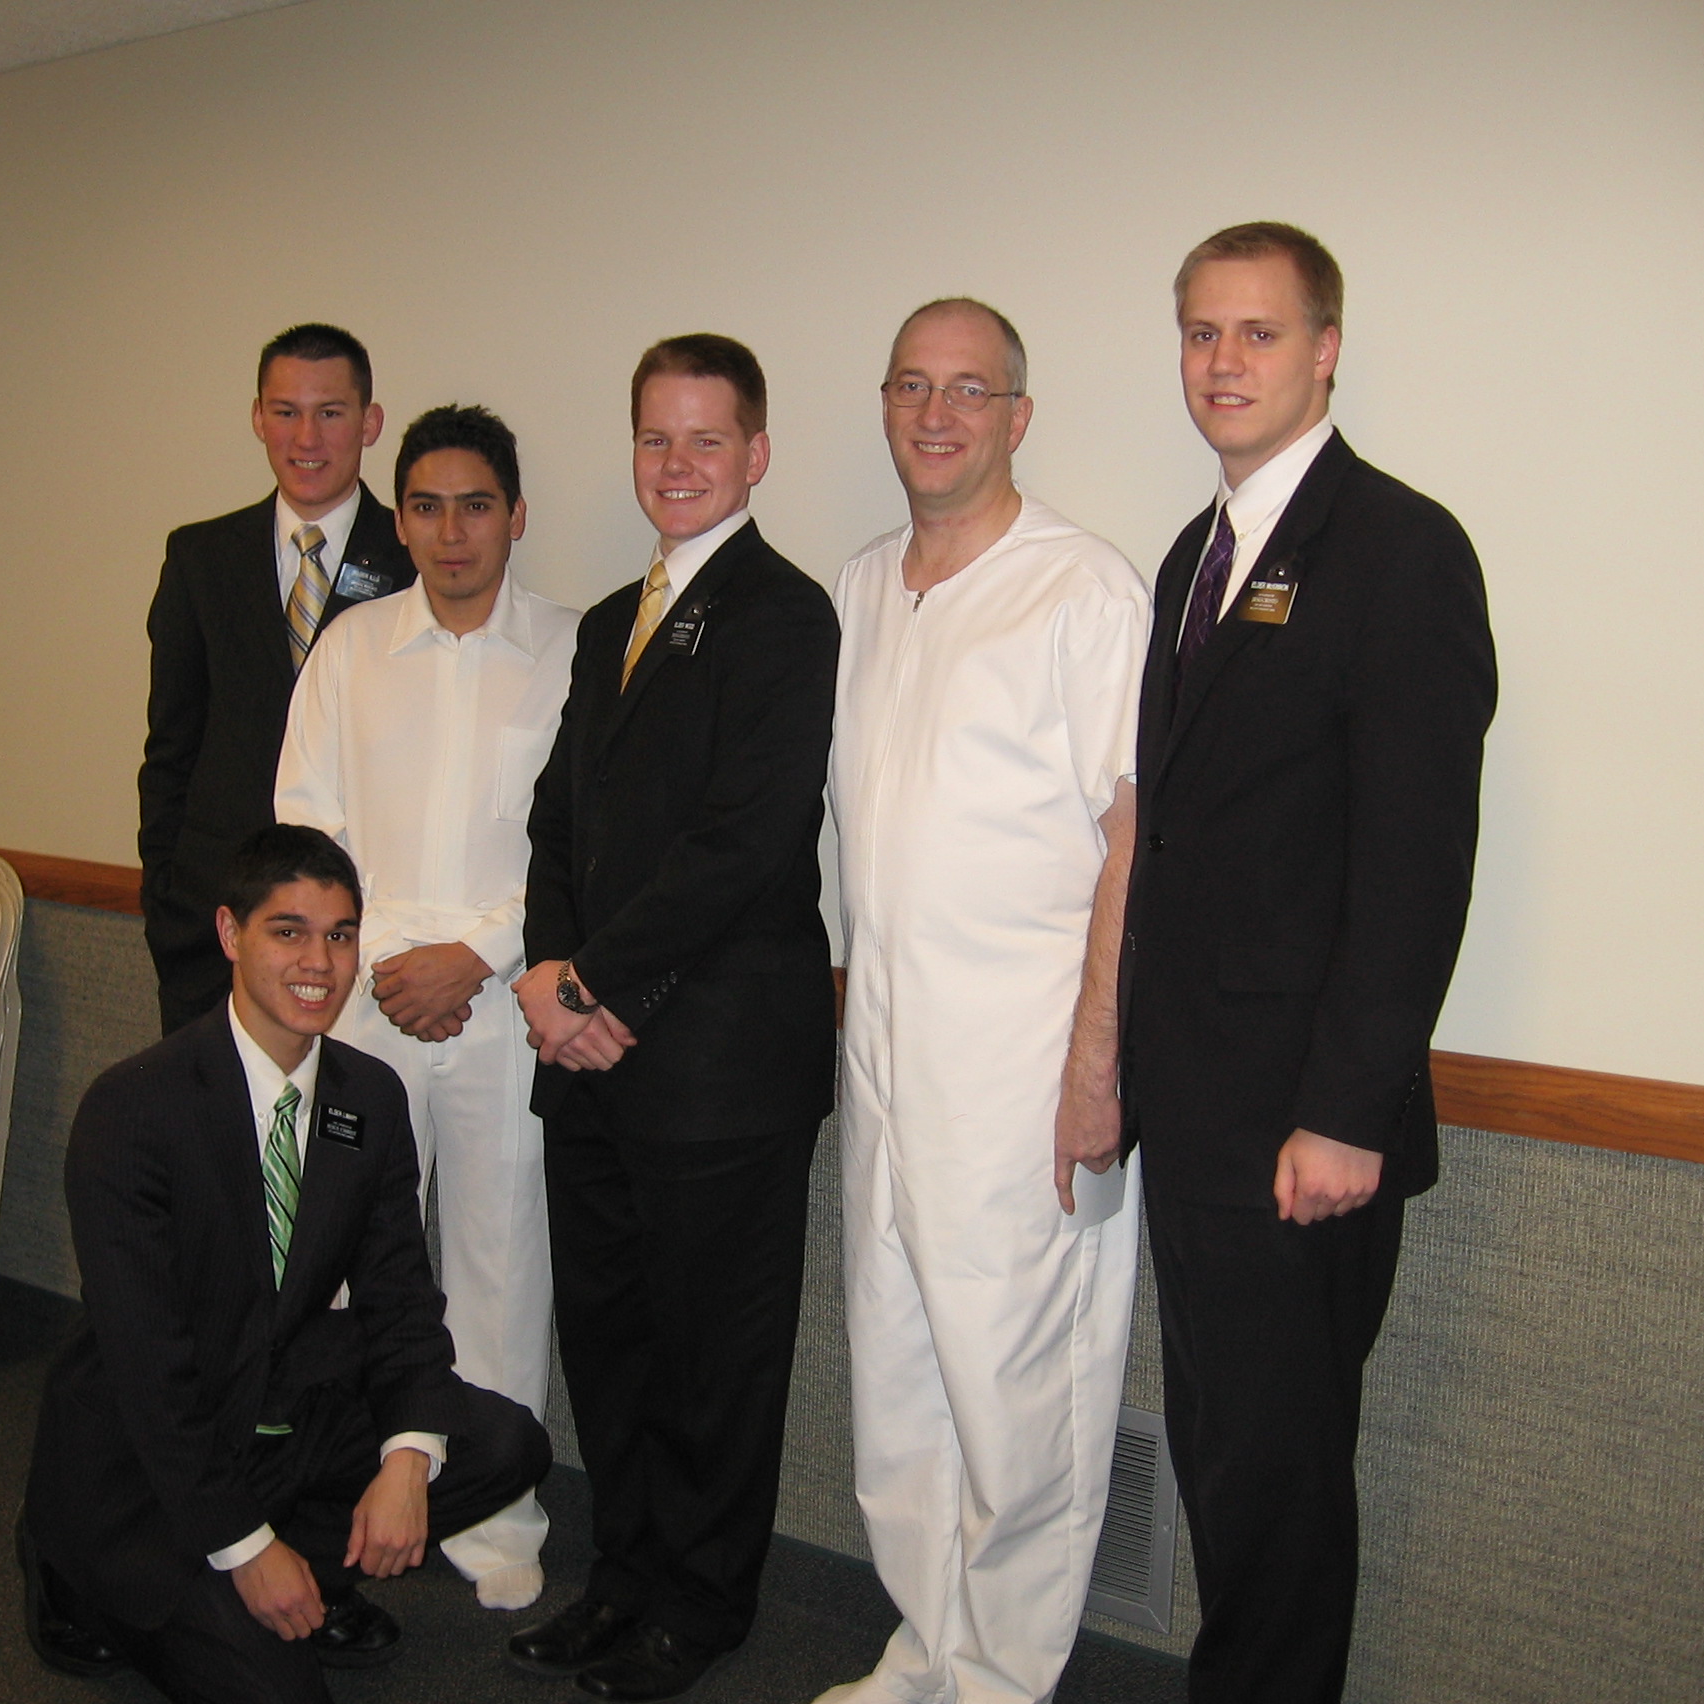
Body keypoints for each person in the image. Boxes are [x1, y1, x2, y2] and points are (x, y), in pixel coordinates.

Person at [1120, 223, 1497, 1703]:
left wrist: (1346, 1110)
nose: (1223, 362)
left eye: (1259, 332)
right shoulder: (1194, 558)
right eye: (1201, 333)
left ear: (1326, 350)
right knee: (1225, 1459)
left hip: (1300, 1132)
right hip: (1196, 1113)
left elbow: (1416, 866)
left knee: (1276, 1481)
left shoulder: (1401, 550)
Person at [816, 300, 1151, 1704]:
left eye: (969, 389)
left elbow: (1135, 840)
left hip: (1023, 1070)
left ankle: (1002, 1678)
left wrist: (1096, 1066)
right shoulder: (859, 588)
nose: (936, 413)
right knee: (899, 1371)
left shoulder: (1082, 590)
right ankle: (925, 1649)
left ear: (1019, 416)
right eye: (912, 385)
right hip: (885, 1058)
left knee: (1021, 1397)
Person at [18, 823, 551, 1704]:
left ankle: (307, 1571)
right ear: (230, 934)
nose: (320, 962)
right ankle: (79, 1576)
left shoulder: (365, 1098)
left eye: (340, 934)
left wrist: (407, 1458)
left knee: (503, 1444)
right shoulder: (133, 1110)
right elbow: (151, 1373)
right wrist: (246, 1548)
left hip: (279, 1415)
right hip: (149, 1464)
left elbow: (400, 1300)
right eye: (288, 931)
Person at [507, 335, 840, 1702]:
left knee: (713, 1357)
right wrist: (548, 974)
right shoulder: (608, 623)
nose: (679, 463)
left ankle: (699, 1607)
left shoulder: (787, 616)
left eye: (707, 439)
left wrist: (593, 987)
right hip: (589, 1056)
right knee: (611, 1341)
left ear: (756, 454)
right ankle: (623, 1577)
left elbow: (744, 844)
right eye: (657, 437)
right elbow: (556, 822)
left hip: (716, 1066)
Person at [275, 403, 579, 1612]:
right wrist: (390, 963)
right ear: (397, 520)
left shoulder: (570, 649)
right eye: (426, 507)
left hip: (506, 1005)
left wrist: (477, 955)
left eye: (475, 506)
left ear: (516, 516)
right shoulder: (350, 650)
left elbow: (581, 845)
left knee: (501, 1262)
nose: (451, 533)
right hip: (364, 1005)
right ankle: (355, 1487)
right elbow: (307, 826)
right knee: (355, 1263)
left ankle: (495, 1516)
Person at [139, 324, 415, 1036]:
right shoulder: (200, 559)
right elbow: (170, 750)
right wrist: (168, 904)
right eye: (286, 412)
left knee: (345, 1110)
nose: (307, 437)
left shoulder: (416, 559)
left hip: (358, 939)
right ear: (258, 417)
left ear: (370, 423)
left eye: (331, 412)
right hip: (213, 932)